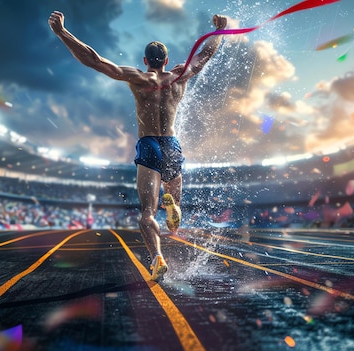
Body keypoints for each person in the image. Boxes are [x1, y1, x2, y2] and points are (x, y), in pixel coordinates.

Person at [49, 11, 227, 281]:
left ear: (145, 61)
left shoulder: (138, 78)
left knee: (147, 213)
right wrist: (219, 31)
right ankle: (173, 204)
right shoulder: (178, 76)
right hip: (171, 144)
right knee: (174, 201)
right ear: (166, 61)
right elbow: (205, 56)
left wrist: (63, 32)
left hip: (148, 145)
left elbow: (94, 61)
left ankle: (157, 258)